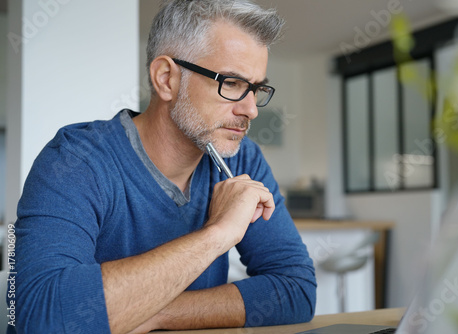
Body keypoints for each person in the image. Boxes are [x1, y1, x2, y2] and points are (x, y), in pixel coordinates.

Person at [9, 0, 317, 333]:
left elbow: (295, 289)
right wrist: (217, 234)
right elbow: (40, 317)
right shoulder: (74, 160)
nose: (251, 110)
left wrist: (154, 313)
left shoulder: (241, 159)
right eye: (231, 83)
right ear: (166, 78)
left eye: (256, 89)